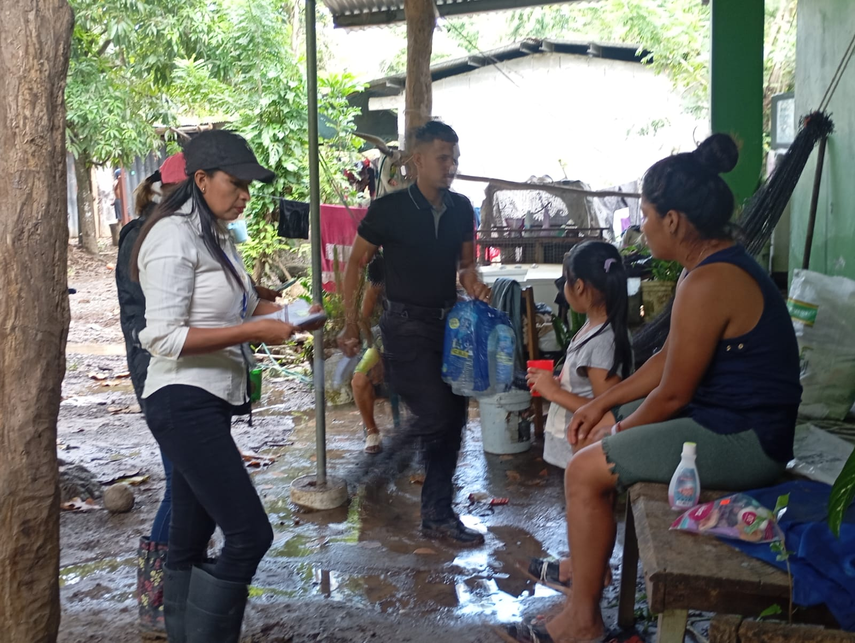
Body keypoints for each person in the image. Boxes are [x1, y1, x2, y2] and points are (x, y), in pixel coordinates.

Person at [506, 134, 802, 643]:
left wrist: (616, 430)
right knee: (599, 435)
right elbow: (667, 359)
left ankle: (583, 620)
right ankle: (585, 584)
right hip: (722, 418)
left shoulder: (712, 281)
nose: (641, 229)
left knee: (584, 468)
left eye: (645, 215)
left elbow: (673, 393)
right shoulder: (705, 269)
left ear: (673, 220)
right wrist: (603, 404)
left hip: (746, 439)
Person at [131, 129, 322, 643]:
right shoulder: (173, 236)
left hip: (209, 402)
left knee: (190, 538)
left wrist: (293, 315)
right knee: (249, 533)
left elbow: (241, 307)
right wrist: (257, 331)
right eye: (234, 184)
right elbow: (162, 336)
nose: (244, 196)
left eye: (248, 186)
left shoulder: (215, 233)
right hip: (181, 399)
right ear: (200, 179)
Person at [339, 121, 491, 545]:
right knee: (439, 413)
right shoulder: (389, 210)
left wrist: (473, 283)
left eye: (455, 158)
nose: (451, 166)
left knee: (454, 417)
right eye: (443, 157)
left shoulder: (462, 208)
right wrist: (351, 321)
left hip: (450, 325)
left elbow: (465, 267)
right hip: (404, 326)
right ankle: (387, 462)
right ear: (417, 160)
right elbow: (355, 265)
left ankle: (437, 515)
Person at [523, 241, 632, 590]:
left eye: (564, 281)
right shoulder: (595, 327)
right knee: (578, 511)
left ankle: (590, 572)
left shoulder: (603, 341)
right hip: (575, 441)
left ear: (579, 286)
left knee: (587, 511)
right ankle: (581, 564)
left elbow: (606, 408)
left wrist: (554, 393)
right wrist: (556, 383)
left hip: (584, 443)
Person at [116, 152, 187, 637]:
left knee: (187, 486)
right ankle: (155, 600)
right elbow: (166, 321)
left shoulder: (152, 230)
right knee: (182, 487)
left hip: (169, 374)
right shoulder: (154, 238)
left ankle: (170, 593)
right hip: (163, 375)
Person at [351, 254, 387, 454]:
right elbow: (363, 318)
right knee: (358, 380)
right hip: (383, 339)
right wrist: (373, 348)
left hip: (416, 338)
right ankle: (372, 431)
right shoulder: (378, 276)